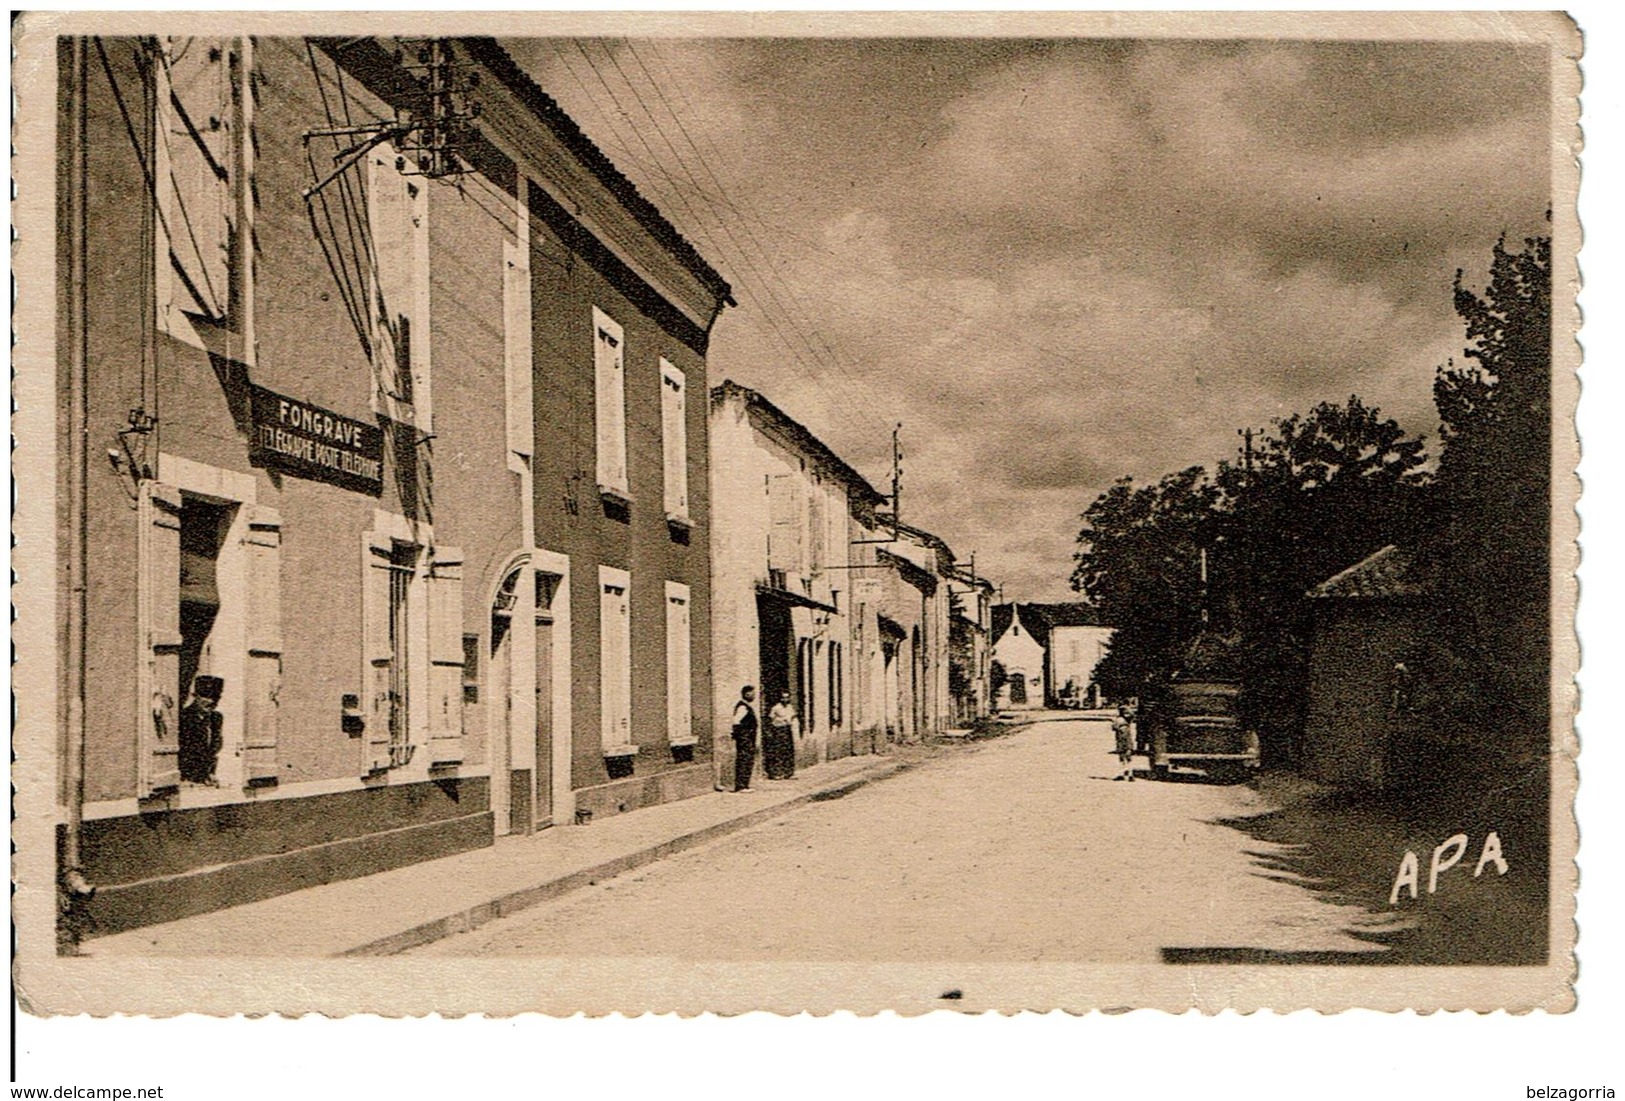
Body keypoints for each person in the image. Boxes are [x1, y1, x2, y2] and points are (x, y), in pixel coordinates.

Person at [178, 674, 224, 785]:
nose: (211, 701)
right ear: (195, 696)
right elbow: (183, 752)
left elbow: (213, 748)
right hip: (186, 778)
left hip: (205, 778)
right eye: (206, 697)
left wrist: (210, 773)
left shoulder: (216, 718)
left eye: (215, 697)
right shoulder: (184, 717)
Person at [764, 690, 798, 780]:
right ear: (780, 698)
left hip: (787, 730)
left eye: (787, 697)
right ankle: (777, 773)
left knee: (788, 751)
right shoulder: (776, 708)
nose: (785, 699)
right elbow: (770, 719)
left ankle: (789, 772)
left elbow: (793, 717)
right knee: (778, 751)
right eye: (783, 697)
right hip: (778, 730)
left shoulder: (790, 707)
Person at [731, 685, 759, 791]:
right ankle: (741, 786)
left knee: (748, 760)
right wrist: (743, 737)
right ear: (747, 694)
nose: (754, 696)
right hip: (745, 739)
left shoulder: (747, 706)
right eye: (753, 693)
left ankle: (745, 784)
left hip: (749, 738)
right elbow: (736, 722)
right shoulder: (742, 707)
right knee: (744, 760)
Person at [1110, 703, 1135, 782]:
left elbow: (1114, 727)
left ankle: (1123, 773)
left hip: (1121, 739)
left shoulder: (1119, 720)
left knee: (1122, 757)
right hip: (1127, 739)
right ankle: (1130, 774)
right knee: (1128, 757)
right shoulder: (1127, 720)